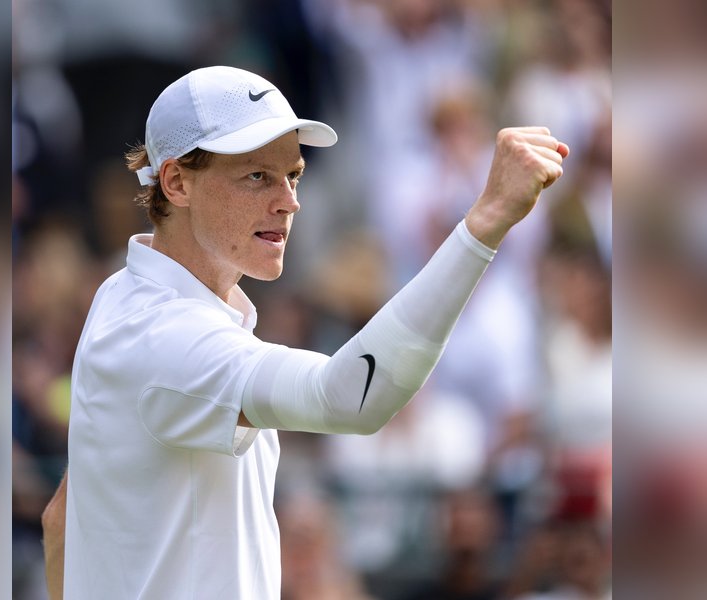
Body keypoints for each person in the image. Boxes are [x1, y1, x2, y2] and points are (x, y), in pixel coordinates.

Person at [41, 65, 568, 599]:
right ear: (177, 182)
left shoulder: (123, 296)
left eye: (292, 175)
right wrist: (486, 221)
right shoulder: (165, 335)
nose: (288, 201)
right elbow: (351, 398)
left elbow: (62, 520)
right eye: (256, 176)